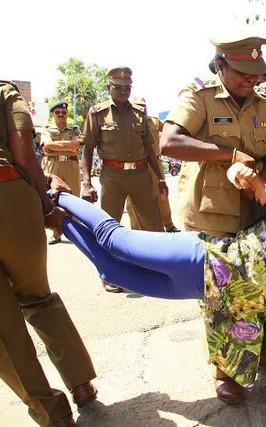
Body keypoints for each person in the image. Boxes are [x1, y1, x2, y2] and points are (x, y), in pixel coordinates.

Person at [55, 168, 266, 405]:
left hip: (200, 290)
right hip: (197, 259)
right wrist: (239, 170)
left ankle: (60, 221)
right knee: (116, 241)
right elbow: (252, 179)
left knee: (112, 271)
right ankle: (58, 196)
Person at [160, 33, 266, 366]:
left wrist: (261, 174)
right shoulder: (200, 95)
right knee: (217, 291)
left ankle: (252, 346)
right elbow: (169, 142)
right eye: (243, 73)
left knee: (254, 284)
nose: (251, 79)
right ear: (219, 65)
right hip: (211, 210)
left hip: (252, 210)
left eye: (255, 73)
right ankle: (222, 368)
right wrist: (229, 155)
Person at [0, 81, 97, 427]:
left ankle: (52, 414)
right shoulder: (4, 92)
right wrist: (46, 206)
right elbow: (24, 153)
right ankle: (81, 384)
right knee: (38, 298)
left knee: (3, 328)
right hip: (8, 192)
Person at [80, 66, 165, 292]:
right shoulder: (98, 113)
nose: (123, 91)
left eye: (127, 87)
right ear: (108, 87)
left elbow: (149, 149)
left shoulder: (139, 112)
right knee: (108, 227)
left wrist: (161, 178)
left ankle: (160, 268)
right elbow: (87, 149)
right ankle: (109, 274)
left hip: (140, 175)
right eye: (118, 87)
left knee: (154, 224)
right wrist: (86, 183)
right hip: (112, 176)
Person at [126, 97, 179, 232]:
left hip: (155, 163)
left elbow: (168, 129)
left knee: (162, 194)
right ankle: (136, 229)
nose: (142, 108)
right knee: (133, 198)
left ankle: (168, 224)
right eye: (138, 106)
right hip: (136, 165)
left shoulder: (154, 121)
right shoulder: (126, 122)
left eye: (143, 106)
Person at [40, 101, 81, 244]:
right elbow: (47, 145)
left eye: (63, 113)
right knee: (53, 197)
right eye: (57, 112)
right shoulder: (47, 129)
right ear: (53, 114)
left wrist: (56, 146)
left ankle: (75, 232)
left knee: (73, 196)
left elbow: (76, 146)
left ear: (67, 114)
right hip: (53, 165)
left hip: (71, 165)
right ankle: (56, 233)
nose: (60, 115)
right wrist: (68, 147)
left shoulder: (74, 129)